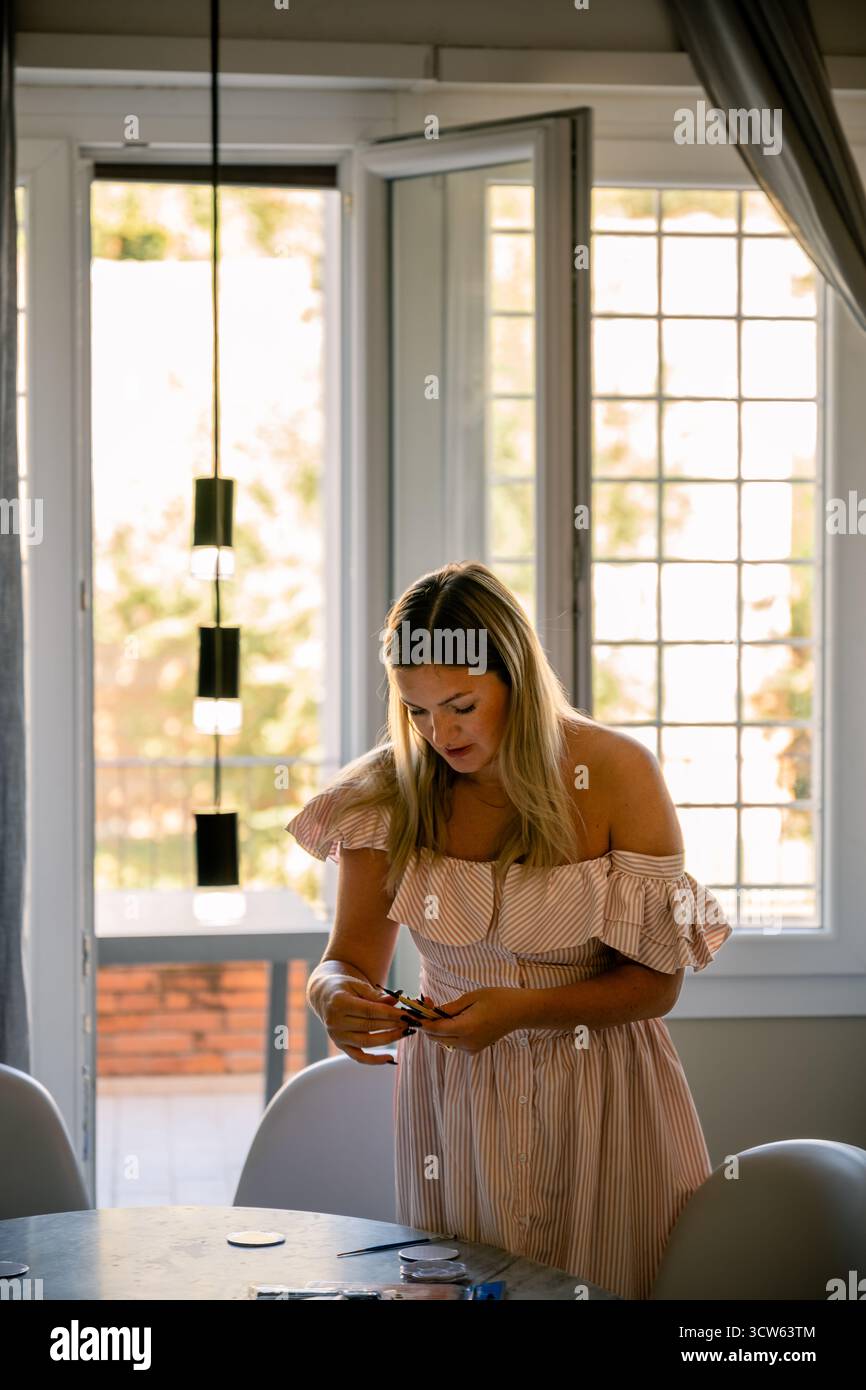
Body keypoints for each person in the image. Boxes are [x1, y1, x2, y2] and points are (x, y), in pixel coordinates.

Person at [285, 560, 732, 1299]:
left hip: (606, 1098)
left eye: (460, 704)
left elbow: (657, 984)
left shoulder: (617, 772)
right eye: (417, 711)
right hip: (455, 1107)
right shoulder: (385, 793)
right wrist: (330, 996)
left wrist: (523, 1012)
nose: (440, 733)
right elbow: (346, 962)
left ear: (516, 678)